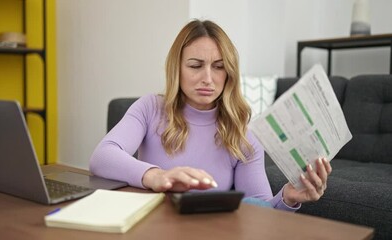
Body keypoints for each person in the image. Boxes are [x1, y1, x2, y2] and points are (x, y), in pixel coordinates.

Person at [89, 19, 332, 211]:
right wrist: (156, 176)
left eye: (218, 67)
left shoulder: (243, 133)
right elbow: (102, 157)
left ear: (229, 73)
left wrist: (288, 198)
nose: (208, 78)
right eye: (195, 66)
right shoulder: (150, 108)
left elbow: (258, 209)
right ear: (177, 68)